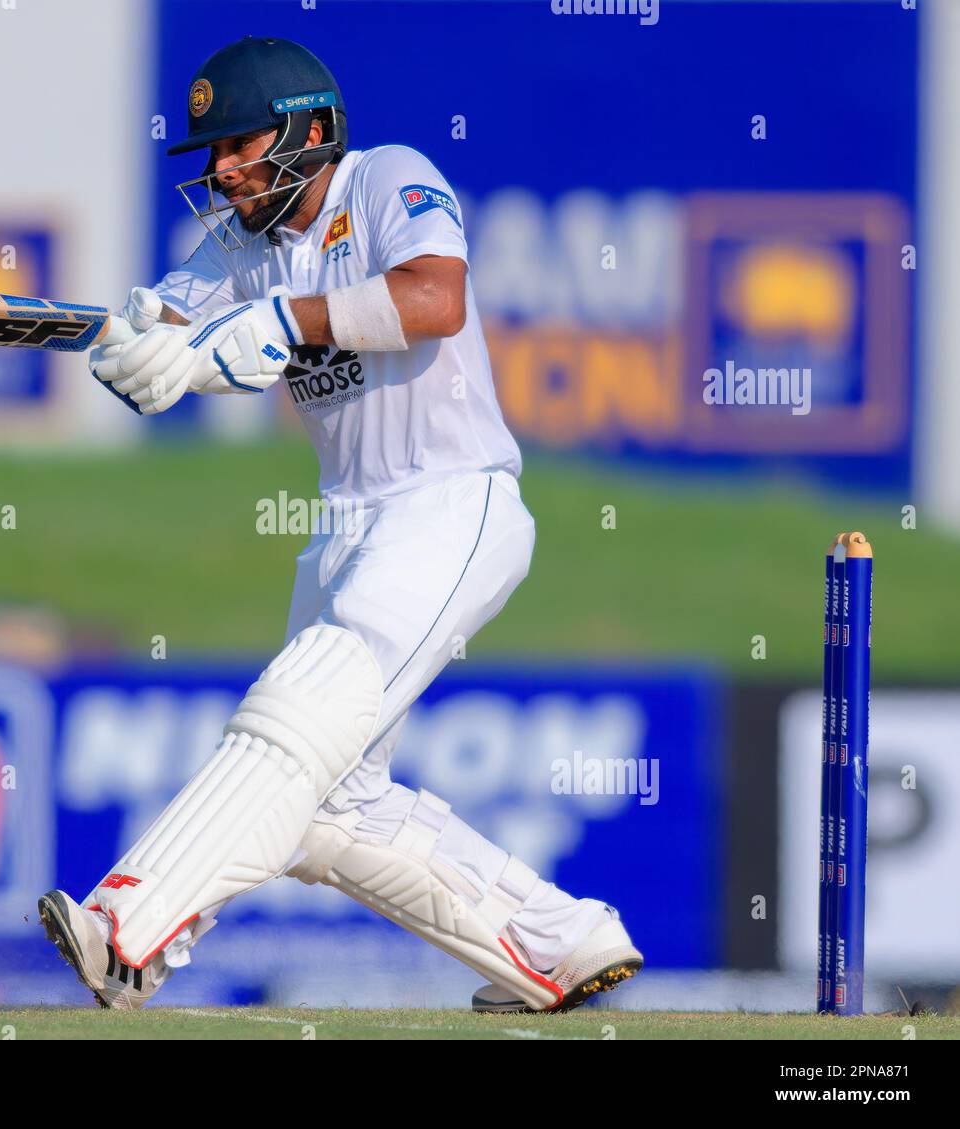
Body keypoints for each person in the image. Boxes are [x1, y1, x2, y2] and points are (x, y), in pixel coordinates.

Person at [38, 35, 642, 1013]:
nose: (224, 172)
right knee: (328, 812)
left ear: (311, 131)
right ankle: (558, 944)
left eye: (243, 145)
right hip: (344, 530)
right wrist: (141, 354)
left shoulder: (386, 180)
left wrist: (278, 321)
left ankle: (130, 925)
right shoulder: (234, 244)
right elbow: (165, 323)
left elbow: (433, 300)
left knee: (294, 713)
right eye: (213, 155)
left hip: (454, 505)